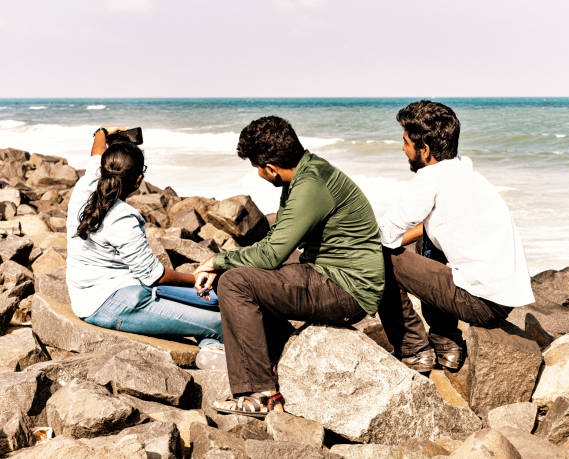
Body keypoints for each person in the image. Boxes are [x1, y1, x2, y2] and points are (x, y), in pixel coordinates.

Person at [194, 116, 385, 417]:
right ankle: (274, 357)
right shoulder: (306, 172)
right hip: (330, 276)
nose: (258, 173)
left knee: (234, 283)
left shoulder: (310, 186)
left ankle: (260, 394)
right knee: (237, 277)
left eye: (256, 167)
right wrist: (224, 265)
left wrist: (217, 260)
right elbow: (276, 240)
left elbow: (272, 255)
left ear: (270, 167)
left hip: (345, 289)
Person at [378, 101, 534, 373]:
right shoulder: (463, 170)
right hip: (502, 299)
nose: (402, 149)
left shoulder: (430, 180)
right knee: (424, 241)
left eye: (405, 142)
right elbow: (423, 229)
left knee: (379, 258)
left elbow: (384, 235)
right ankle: (447, 345)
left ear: (424, 150)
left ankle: (413, 350)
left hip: (480, 304)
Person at [66, 127, 224, 368]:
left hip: (114, 289)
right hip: (112, 303)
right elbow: (155, 276)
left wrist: (103, 132)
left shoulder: (84, 187)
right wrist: (195, 278)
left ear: (104, 168)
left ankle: (212, 348)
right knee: (222, 322)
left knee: (214, 299)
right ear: (139, 179)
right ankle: (216, 354)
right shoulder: (122, 217)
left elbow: (97, 151)